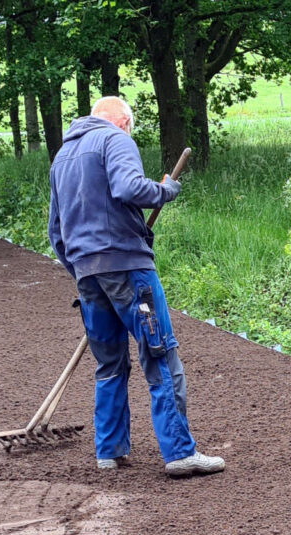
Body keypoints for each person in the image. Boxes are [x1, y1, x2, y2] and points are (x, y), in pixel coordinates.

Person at [48, 96, 225, 478]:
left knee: (109, 365)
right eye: (131, 125)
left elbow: (55, 232)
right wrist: (166, 191)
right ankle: (180, 453)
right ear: (123, 121)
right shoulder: (116, 140)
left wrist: (82, 271)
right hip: (128, 267)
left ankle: (109, 452)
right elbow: (130, 189)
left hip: (88, 275)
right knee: (160, 355)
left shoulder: (62, 158)